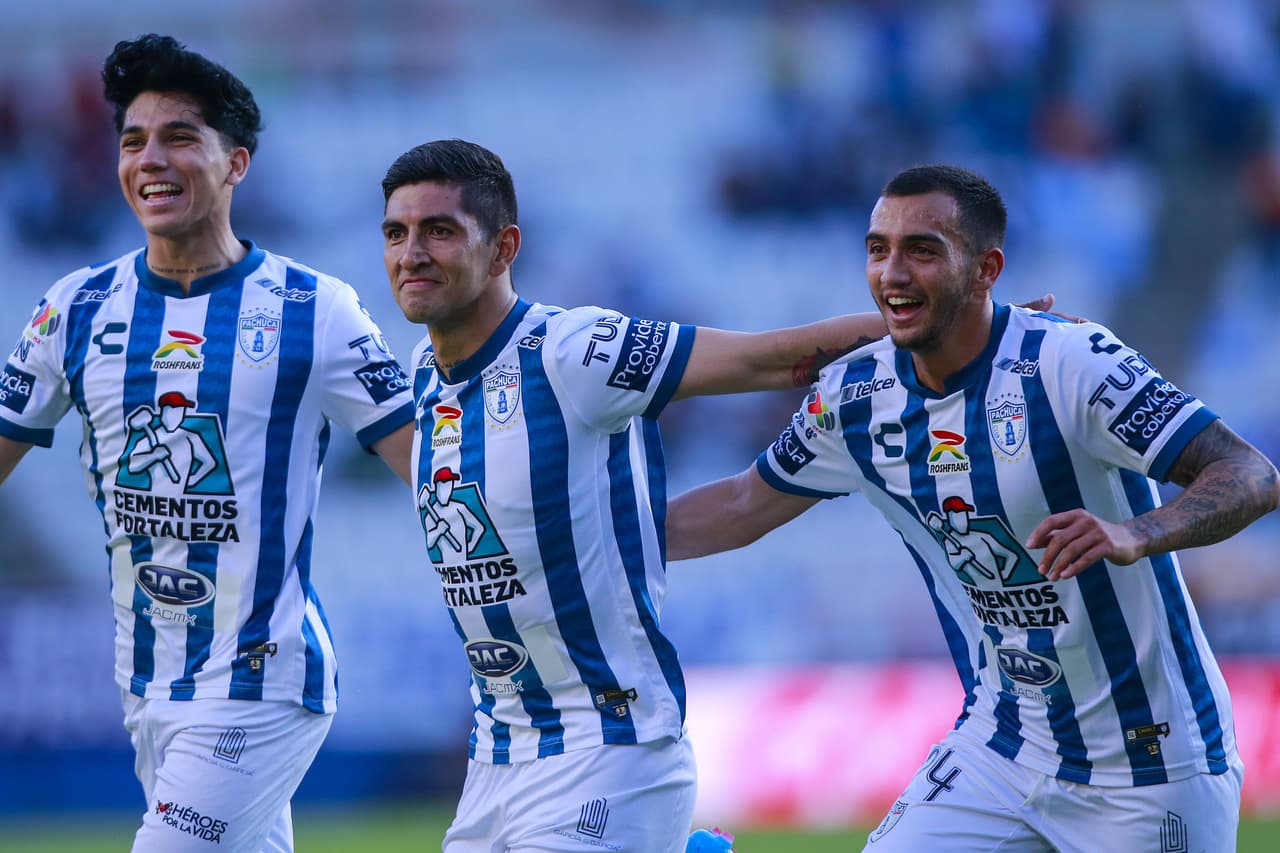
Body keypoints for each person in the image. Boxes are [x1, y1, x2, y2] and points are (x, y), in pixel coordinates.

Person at [666, 164, 1280, 852]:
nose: (892, 272)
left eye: (922, 250)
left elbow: (1251, 474)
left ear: (987, 269)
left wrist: (1138, 531)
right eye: (878, 249)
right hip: (1002, 748)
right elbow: (743, 503)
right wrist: (598, 542)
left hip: (1153, 763)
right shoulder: (854, 398)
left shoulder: (1070, 362)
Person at [378, 138, 915, 852]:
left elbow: (768, 359)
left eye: (439, 230)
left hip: (609, 746)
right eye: (396, 233)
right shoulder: (425, 372)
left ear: (504, 247)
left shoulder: (569, 352)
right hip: (496, 756)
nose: (412, 253)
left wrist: (954, 334)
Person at [0, 35, 415, 852]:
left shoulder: (315, 309)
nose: (150, 159)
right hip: (148, 684)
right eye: (133, 141)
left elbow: (438, 471)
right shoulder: (74, 309)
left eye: (180, 137)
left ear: (236, 164)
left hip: (263, 679)